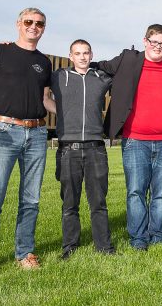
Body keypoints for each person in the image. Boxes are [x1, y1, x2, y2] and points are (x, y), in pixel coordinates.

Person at [95, 24, 162, 250]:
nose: (158, 47)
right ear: (145, 41)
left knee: (161, 193)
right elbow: (99, 66)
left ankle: (159, 235)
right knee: (136, 192)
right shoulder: (128, 59)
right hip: (135, 141)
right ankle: (138, 238)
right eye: (154, 42)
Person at [0, 8, 52, 280]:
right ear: (19, 24)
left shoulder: (44, 62)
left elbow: (45, 100)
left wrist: (74, 111)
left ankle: (25, 253)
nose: (33, 26)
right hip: (4, 132)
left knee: (31, 200)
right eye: (28, 21)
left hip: (37, 134)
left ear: (44, 28)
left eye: (39, 23)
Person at [46, 39, 115, 259]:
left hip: (96, 149)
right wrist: (63, 111)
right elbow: (42, 96)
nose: (82, 57)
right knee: (69, 203)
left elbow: (126, 80)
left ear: (91, 55)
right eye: (78, 53)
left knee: (99, 202)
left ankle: (104, 247)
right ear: (70, 56)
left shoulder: (102, 78)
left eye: (86, 53)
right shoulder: (59, 76)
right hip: (68, 149)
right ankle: (70, 247)